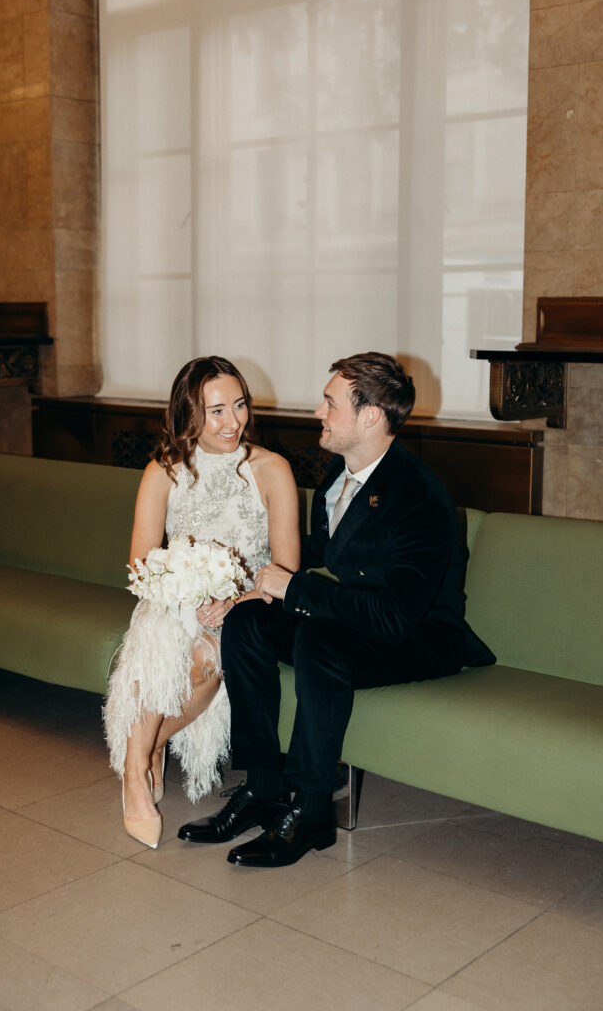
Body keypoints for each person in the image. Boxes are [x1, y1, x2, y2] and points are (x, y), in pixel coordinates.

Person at [178, 351, 495, 867]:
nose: (318, 412)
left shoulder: (420, 499)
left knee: (320, 637)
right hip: (360, 622)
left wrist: (295, 589)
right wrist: (242, 571)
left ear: (370, 416)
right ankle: (263, 788)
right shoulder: (340, 471)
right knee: (248, 621)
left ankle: (310, 810)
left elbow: (392, 618)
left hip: (421, 638)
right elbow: (327, 550)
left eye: (330, 403)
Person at [104, 356, 300, 850]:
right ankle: (136, 769)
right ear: (188, 414)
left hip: (248, 606)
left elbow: (286, 571)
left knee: (205, 658)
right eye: (216, 411)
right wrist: (184, 591)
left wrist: (238, 600)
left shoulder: (272, 469)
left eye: (239, 406)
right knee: (169, 639)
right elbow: (140, 564)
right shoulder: (163, 471)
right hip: (173, 600)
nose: (232, 422)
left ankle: (143, 753)